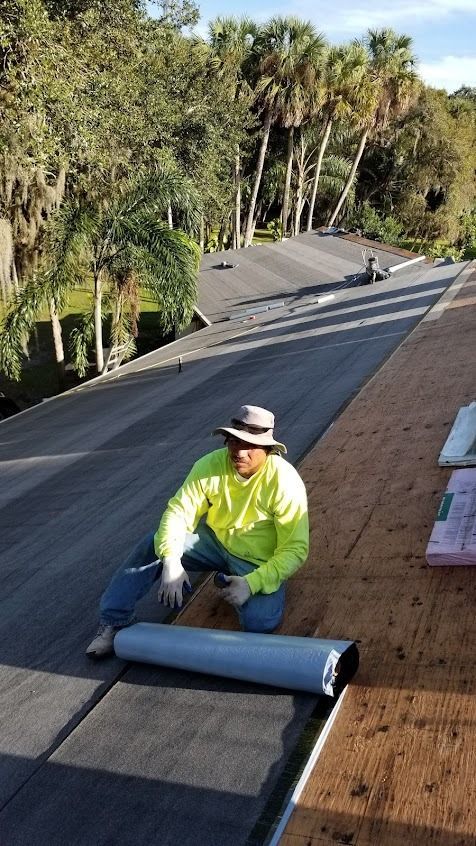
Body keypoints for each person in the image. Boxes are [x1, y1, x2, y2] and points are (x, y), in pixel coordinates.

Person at [86, 405, 309, 658]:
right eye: (234, 442)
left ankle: (243, 579)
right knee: (154, 543)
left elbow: (295, 549)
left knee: (260, 623)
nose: (240, 452)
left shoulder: (284, 481)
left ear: (268, 449)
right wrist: (170, 560)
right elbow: (178, 512)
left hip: (256, 559)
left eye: (250, 445)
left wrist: (252, 583)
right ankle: (114, 620)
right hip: (216, 541)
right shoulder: (210, 465)